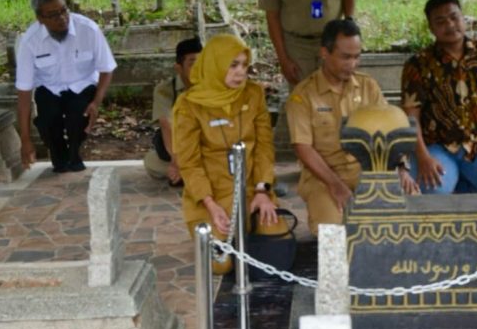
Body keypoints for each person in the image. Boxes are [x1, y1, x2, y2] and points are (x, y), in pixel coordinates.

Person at [173, 34, 280, 271]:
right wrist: (210, 204)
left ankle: (250, 230)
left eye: (244, 65)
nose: (240, 72)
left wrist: (263, 191)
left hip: (252, 192)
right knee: (222, 263)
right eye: (233, 65)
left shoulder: (253, 94)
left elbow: (264, 147)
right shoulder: (189, 105)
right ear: (215, 63)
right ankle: (208, 231)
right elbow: (189, 163)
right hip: (212, 197)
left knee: (276, 253)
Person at [401, 0, 477, 194]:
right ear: (431, 28)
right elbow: (411, 115)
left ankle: (467, 190)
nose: (449, 25)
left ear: (463, 18)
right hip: (437, 147)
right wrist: (422, 157)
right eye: (440, 21)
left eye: (454, 17)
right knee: (433, 189)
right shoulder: (418, 64)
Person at [287, 19, 390, 235]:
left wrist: (400, 168)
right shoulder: (303, 95)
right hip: (322, 176)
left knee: (399, 217)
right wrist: (335, 185)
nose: (352, 64)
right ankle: (336, 270)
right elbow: (303, 147)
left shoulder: (368, 86)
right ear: (324, 53)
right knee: (332, 232)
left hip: (366, 171)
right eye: (345, 57)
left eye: (357, 57)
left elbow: (389, 130)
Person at [15, 0, 116, 172]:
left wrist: (96, 102)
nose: (61, 18)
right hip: (49, 88)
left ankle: (74, 153)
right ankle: (58, 153)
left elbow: (106, 68)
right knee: (47, 120)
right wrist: (26, 140)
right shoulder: (30, 41)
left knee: (78, 116)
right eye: (53, 15)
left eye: (63, 11)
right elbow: (23, 92)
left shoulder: (89, 29)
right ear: (40, 18)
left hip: (82, 85)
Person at [143, 37, 202, 184]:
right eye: (193, 63)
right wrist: (177, 161)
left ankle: (190, 173)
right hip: (180, 148)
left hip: (209, 148)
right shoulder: (165, 90)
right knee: (151, 162)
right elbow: (166, 125)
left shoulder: (214, 85)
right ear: (178, 68)